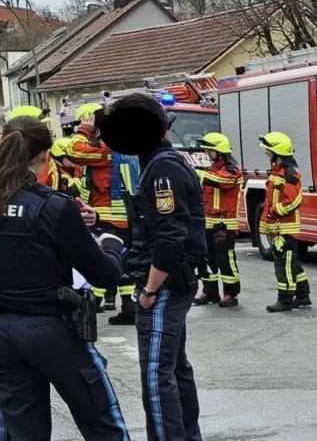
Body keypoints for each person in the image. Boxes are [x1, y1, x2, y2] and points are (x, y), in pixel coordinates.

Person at [0, 115, 131, 440]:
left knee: (21, 430)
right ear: (45, 155)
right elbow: (104, 275)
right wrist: (112, 243)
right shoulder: (52, 206)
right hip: (51, 329)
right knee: (102, 423)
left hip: (3, 333)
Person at [100, 93, 204, 441]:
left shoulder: (162, 169)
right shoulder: (160, 165)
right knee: (175, 369)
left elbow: (170, 237)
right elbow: (154, 226)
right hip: (173, 280)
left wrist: (148, 292)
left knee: (157, 376)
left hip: (165, 283)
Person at [68, 103, 141, 322]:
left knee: (99, 261)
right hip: (124, 216)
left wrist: (83, 131)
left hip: (106, 216)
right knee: (124, 261)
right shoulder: (123, 146)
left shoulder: (103, 148)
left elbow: (73, 151)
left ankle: (92, 304)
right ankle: (129, 306)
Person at [259, 131, 312, 313]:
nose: (267, 153)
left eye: (269, 151)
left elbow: (293, 200)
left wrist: (274, 212)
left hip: (285, 228)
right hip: (279, 227)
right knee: (293, 263)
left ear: (277, 152)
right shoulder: (279, 172)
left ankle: (285, 300)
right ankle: (303, 295)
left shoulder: (289, 174)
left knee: (284, 266)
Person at [193, 132, 243, 308]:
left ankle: (231, 293)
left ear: (219, 152)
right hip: (207, 221)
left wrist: (195, 172)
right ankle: (210, 292)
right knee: (207, 258)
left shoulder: (232, 170)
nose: (207, 154)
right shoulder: (211, 170)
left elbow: (220, 181)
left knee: (225, 259)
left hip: (224, 223)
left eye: (209, 150)